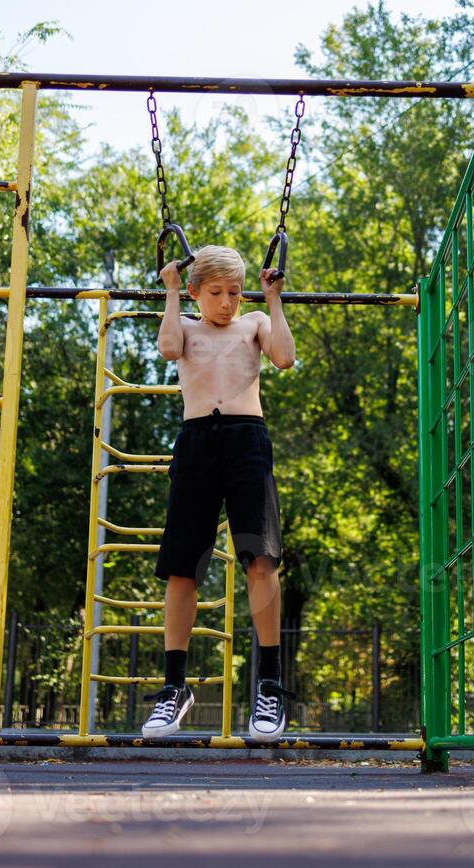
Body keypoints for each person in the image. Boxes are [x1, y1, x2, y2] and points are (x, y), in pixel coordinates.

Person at [142, 244, 297, 741]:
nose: (227, 302)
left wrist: (272, 300)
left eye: (234, 291)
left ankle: (270, 685)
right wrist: (169, 292)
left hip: (247, 443)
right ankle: (174, 688)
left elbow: (285, 358)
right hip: (196, 445)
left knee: (260, 559)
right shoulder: (185, 327)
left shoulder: (253, 322)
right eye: (216, 293)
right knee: (182, 565)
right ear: (194, 292)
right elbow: (167, 349)